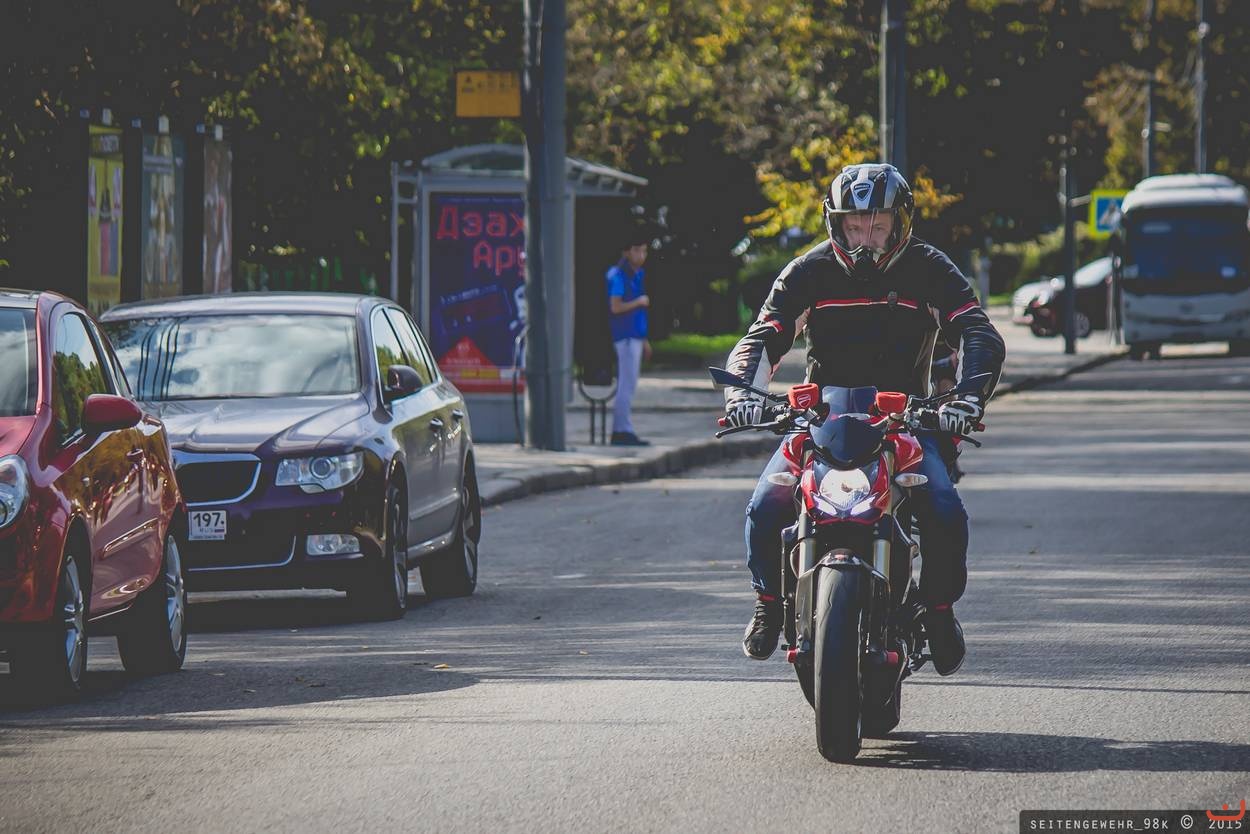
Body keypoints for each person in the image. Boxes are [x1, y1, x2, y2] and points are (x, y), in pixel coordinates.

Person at [723, 163, 1005, 675]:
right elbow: (763, 336)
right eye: (853, 226)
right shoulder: (807, 271)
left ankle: (938, 611)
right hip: (818, 419)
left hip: (907, 421)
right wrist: (743, 393)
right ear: (835, 223)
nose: (864, 240)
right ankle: (768, 603)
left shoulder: (930, 268)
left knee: (944, 508)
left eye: (877, 227)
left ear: (900, 223)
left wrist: (966, 398)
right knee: (766, 504)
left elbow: (976, 332)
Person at [606, 230, 653, 446]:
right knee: (626, 384)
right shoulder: (617, 275)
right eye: (636, 250)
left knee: (630, 384)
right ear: (626, 252)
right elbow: (615, 307)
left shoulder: (637, 274)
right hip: (624, 336)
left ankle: (623, 428)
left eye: (644, 251)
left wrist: (644, 340)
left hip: (634, 335)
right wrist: (639, 302)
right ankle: (621, 430)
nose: (641, 255)